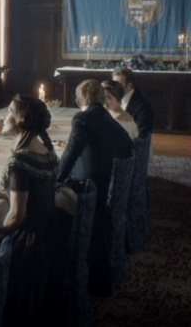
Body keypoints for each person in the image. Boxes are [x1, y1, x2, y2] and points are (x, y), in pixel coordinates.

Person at [0, 96, 73, 325]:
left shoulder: (20, 160)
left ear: (21, 120)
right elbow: (32, 193)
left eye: (9, 112)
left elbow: (16, 216)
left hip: (30, 244)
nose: (4, 116)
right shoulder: (47, 150)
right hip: (51, 233)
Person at [57, 79, 133, 297]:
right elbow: (127, 147)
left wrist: (56, 179)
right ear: (102, 99)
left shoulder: (82, 117)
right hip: (113, 189)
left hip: (96, 192)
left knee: (56, 203)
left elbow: (73, 150)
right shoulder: (109, 119)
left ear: (79, 100)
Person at [111, 67, 154, 138]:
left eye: (118, 84)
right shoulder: (114, 99)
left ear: (130, 85)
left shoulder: (142, 107)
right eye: (113, 84)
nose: (114, 88)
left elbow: (142, 136)